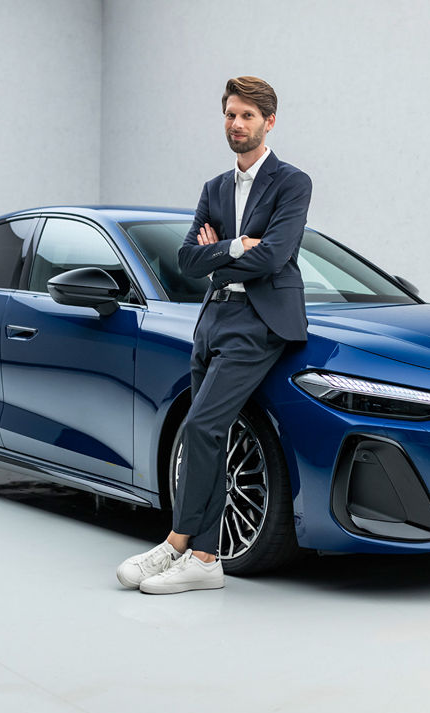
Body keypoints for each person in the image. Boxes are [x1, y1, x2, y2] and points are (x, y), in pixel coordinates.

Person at [116, 76, 312, 594]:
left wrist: (223, 252)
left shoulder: (293, 183)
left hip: (260, 323)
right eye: (230, 114)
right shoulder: (214, 189)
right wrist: (232, 248)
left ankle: (182, 544)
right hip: (212, 319)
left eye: (247, 116)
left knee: (201, 427)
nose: (236, 124)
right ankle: (204, 558)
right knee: (205, 433)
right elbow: (186, 259)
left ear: (269, 121)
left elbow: (276, 255)